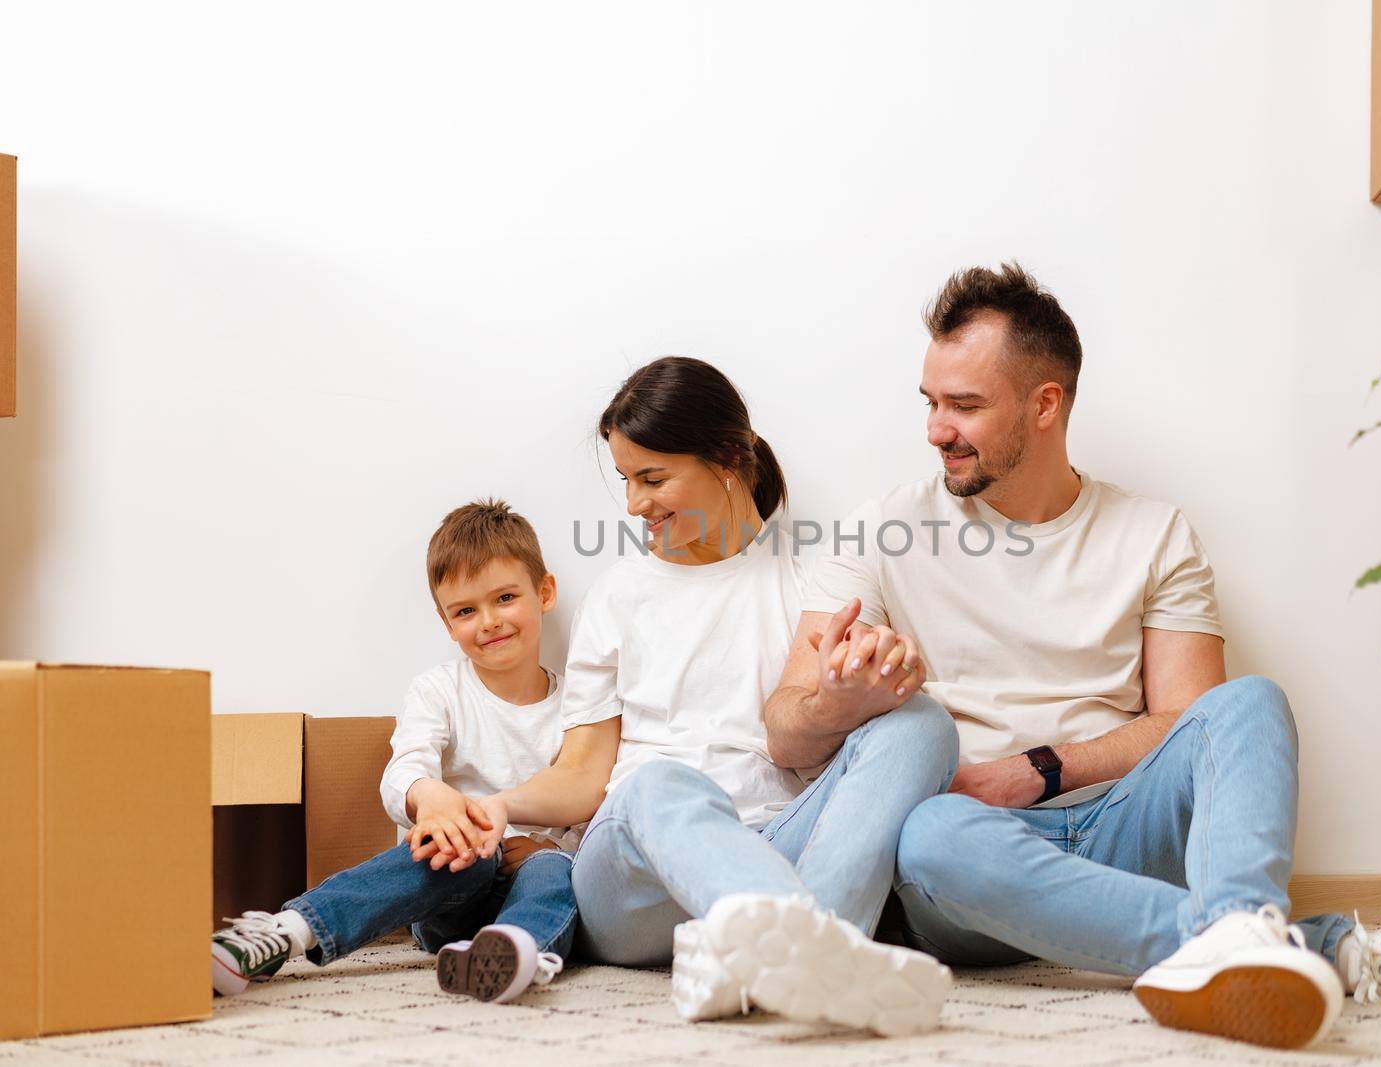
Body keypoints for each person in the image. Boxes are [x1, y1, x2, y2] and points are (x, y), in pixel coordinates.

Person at [763, 263, 1381, 1050]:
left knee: (1250, 701)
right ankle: (1309, 946)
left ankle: (1236, 940)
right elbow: (784, 732)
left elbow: (1189, 722)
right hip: (973, 853)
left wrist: (1039, 768)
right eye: (931, 402)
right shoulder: (880, 531)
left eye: (965, 405)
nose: (935, 428)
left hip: (1122, 824)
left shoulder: (1152, 533)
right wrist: (836, 703)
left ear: (1044, 403)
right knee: (930, 835)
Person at [480, 356, 960, 1036]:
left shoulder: (810, 587)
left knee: (922, 722)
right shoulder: (620, 594)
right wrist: (498, 805)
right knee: (656, 784)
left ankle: (795, 958)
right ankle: (824, 943)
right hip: (637, 882)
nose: (634, 504)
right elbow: (586, 775)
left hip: (775, 842)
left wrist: (863, 690)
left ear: (729, 457)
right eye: (626, 479)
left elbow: (833, 745)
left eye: (652, 477)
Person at [209, 500, 594, 1005]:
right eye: (465, 611)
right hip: (453, 889)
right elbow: (405, 767)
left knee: (551, 870)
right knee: (459, 855)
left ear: (544, 593)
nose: (489, 621)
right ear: (445, 622)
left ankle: (514, 953)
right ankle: (287, 931)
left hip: (534, 883)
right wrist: (430, 798)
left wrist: (555, 848)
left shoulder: (578, 705)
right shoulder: (439, 690)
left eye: (504, 598)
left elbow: (594, 793)